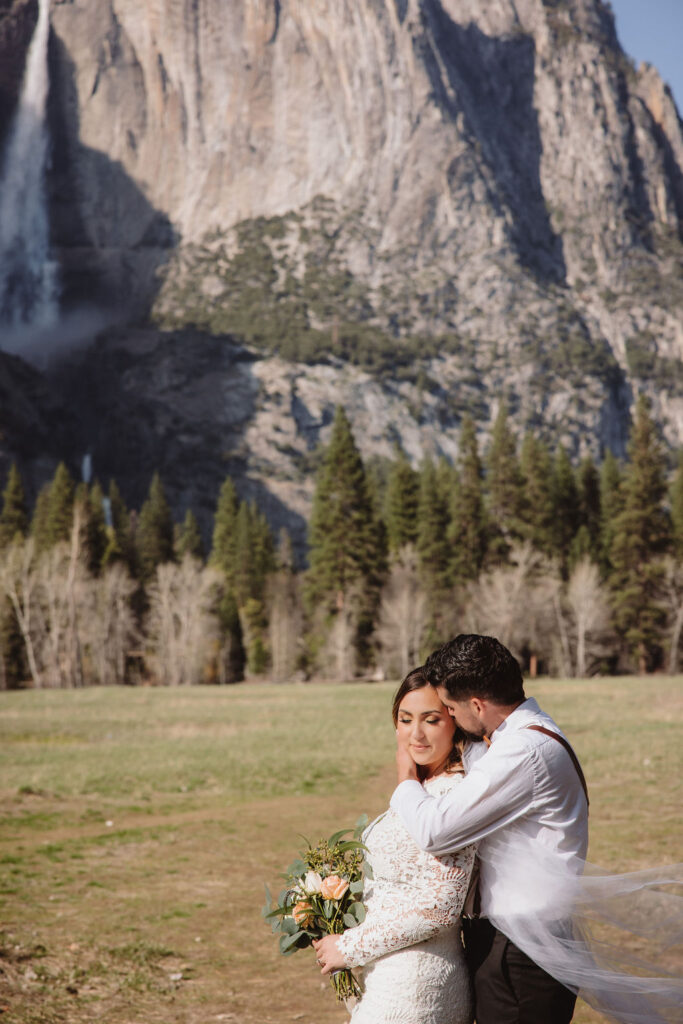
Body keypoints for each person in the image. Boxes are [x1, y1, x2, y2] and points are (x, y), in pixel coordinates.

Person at [392, 633, 588, 1024]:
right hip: (508, 943)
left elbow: (437, 829)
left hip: (521, 951)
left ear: (477, 704)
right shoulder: (512, 739)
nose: (450, 717)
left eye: (449, 708)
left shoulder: (524, 751)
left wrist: (404, 779)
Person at [313, 667, 477, 1024]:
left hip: (418, 984)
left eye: (431, 720)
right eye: (405, 719)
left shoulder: (453, 795)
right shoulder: (420, 786)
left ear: (455, 723)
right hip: (387, 977)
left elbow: (441, 907)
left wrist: (350, 948)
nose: (415, 733)